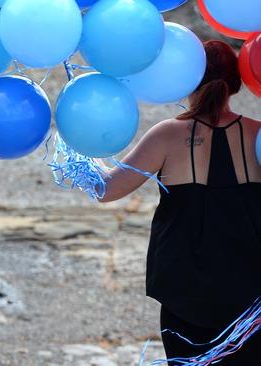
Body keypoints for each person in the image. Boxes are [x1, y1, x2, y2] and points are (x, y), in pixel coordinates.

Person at [98, 40, 261, 364]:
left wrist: (84, 149)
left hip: (185, 295)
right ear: (236, 83)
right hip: (250, 300)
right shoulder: (257, 134)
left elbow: (107, 189)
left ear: (186, 78)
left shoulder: (166, 135)